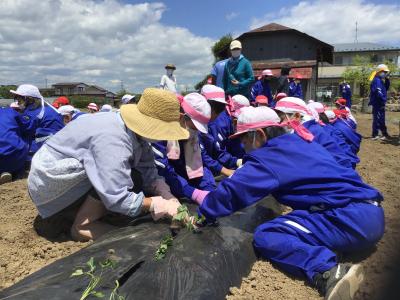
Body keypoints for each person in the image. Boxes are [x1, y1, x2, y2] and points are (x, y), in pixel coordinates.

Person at [194, 106, 384, 300]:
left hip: (351, 220)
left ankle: (328, 273)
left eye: (244, 138)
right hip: (366, 213)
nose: (243, 145)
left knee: (268, 234)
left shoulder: (269, 158)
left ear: (259, 135)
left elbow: (232, 192)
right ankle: (332, 245)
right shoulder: (298, 141)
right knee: (298, 219)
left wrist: (203, 214)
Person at [28, 88, 189, 241]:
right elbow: (117, 197)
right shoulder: (113, 139)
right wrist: (158, 204)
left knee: (135, 178)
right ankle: (81, 226)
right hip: (50, 184)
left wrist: (167, 195)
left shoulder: (135, 133)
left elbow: (148, 170)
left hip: (63, 177)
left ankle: (86, 211)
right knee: (130, 178)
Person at [152, 93, 216, 202]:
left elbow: (199, 164)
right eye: (193, 127)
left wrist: (209, 188)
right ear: (181, 117)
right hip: (164, 186)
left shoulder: (193, 135)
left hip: (181, 186)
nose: (195, 131)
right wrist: (193, 193)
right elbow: (163, 169)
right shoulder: (159, 134)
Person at [274, 97, 353, 169]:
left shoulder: (311, 133)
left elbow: (341, 160)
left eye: (280, 118)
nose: (277, 123)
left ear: (296, 116)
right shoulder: (305, 130)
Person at [10, 84, 64, 161]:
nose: (17, 101)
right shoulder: (32, 109)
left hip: (42, 153)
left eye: (19, 98)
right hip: (35, 147)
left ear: (29, 99)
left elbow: (48, 141)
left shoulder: (46, 114)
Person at [199, 85, 243, 177]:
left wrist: (236, 161)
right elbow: (202, 156)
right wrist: (225, 170)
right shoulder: (196, 127)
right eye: (216, 108)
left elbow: (217, 151)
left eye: (220, 109)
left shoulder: (211, 123)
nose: (217, 114)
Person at [0, 107, 29, 184]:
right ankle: (16, 174)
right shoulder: (10, 112)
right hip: (16, 156)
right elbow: (28, 128)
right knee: (24, 139)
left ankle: (3, 172)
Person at [368, 64, 390, 140]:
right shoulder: (376, 80)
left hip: (381, 103)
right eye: (384, 72)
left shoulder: (380, 80)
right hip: (377, 103)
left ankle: (384, 133)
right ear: (379, 72)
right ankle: (375, 134)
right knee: (377, 119)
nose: (385, 73)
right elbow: (378, 92)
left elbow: (386, 88)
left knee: (382, 119)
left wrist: (387, 79)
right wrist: (383, 99)